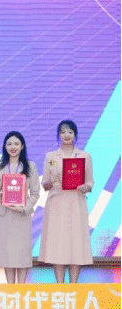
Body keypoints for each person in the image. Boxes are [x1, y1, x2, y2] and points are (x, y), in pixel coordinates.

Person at [38, 120, 94, 283]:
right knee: (58, 243)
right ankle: (60, 287)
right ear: (58, 136)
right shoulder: (51, 157)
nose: (66, 135)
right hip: (57, 203)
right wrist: (50, 181)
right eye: (63, 132)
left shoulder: (84, 156)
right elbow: (45, 184)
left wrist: (86, 187)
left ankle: (73, 286)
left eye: (70, 132)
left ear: (75, 135)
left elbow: (90, 181)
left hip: (76, 202)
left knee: (76, 243)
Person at [0, 131, 40, 284]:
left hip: (22, 215)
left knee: (22, 253)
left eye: (16, 144)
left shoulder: (30, 166)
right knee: (7, 254)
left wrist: (25, 208)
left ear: (22, 146)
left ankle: (21, 289)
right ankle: (11, 289)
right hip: (4, 214)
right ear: (5, 146)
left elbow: (35, 193)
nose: (13, 147)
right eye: (9, 144)